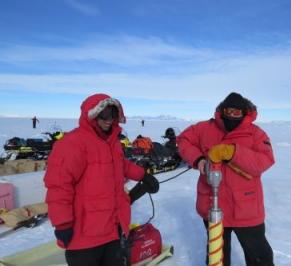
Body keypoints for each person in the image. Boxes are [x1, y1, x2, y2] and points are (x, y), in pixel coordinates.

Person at [44, 93, 159, 266]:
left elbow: (122, 165)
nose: (109, 120)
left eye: (112, 114)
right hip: (84, 237)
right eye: (103, 115)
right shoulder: (72, 143)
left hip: (112, 230)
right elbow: (59, 185)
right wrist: (62, 223)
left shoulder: (111, 142)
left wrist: (143, 175)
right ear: (92, 115)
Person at [177, 92, 275, 266]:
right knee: (216, 256)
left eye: (237, 113)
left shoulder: (255, 134)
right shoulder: (204, 128)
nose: (232, 116)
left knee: (259, 256)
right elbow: (183, 140)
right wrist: (198, 159)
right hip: (212, 205)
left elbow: (265, 161)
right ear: (222, 111)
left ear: (245, 112)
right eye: (228, 111)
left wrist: (233, 152)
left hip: (246, 209)